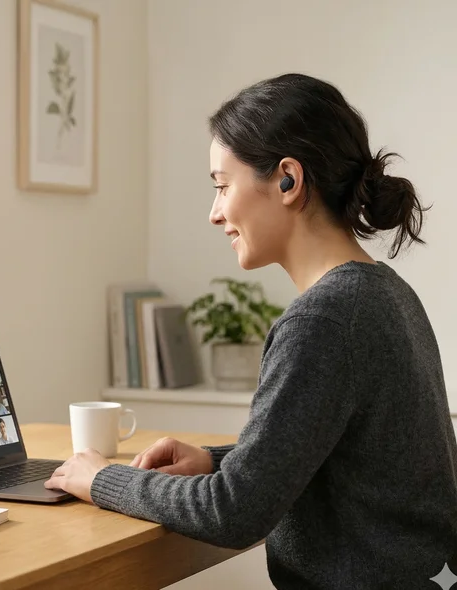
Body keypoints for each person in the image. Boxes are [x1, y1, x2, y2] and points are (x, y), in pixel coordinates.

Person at [44, 73, 457, 588]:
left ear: (288, 179)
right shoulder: (384, 294)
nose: (215, 213)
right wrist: (219, 460)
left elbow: (233, 512)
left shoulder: (324, 321)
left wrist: (102, 478)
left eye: (222, 186)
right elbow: (344, 457)